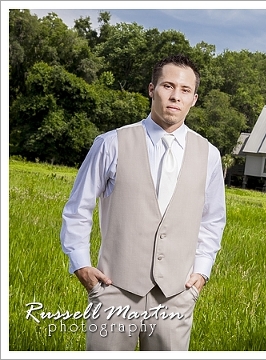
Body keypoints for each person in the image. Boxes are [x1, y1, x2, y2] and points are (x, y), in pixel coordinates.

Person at [60, 54, 226, 351]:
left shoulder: (209, 155)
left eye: (185, 90)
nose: (175, 96)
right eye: (168, 86)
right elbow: (78, 208)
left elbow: (212, 219)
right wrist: (81, 264)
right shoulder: (111, 143)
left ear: (194, 99)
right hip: (114, 289)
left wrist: (202, 272)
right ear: (152, 89)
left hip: (176, 294)